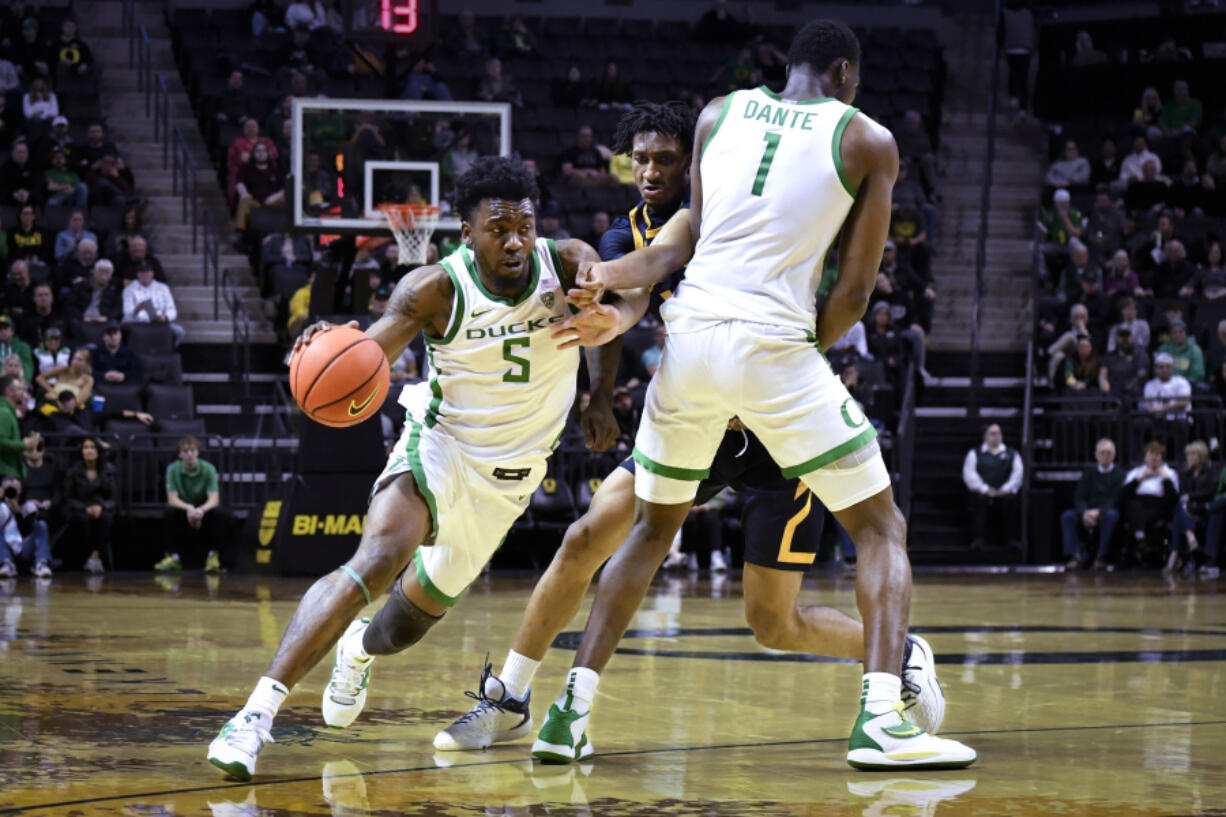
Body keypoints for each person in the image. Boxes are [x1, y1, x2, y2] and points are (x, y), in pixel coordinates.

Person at [434, 100, 944, 763]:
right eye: (640, 158)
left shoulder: (748, 217)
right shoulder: (630, 234)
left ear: (700, 161)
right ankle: (513, 695)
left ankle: (897, 650)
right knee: (586, 535)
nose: (649, 170)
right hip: (692, 413)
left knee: (774, 621)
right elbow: (633, 295)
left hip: (773, 435)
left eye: (666, 159)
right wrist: (605, 335)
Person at [529, 21, 975, 770]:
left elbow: (682, 242)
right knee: (878, 526)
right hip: (773, 343)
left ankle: (568, 713)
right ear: (843, 71)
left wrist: (611, 276)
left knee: (648, 529)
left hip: (690, 339)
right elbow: (859, 289)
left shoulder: (719, 112)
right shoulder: (868, 139)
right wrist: (801, 357)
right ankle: (882, 720)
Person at [205, 156, 637, 781]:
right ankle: (254, 715)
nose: (514, 239)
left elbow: (611, 314)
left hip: (508, 481)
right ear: (466, 232)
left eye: (523, 224)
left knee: (397, 630)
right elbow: (368, 350)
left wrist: (600, 394)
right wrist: (328, 346)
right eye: (497, 228)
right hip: (438, 446)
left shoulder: (567, 261)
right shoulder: (434, 287)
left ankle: (355, 649)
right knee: (376, 558)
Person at [155, 437, 228, 573]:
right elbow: (172, 499)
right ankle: (173, 557)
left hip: (202, 508)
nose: (189, 454)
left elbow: (214, 499)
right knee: (169, 511)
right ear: (180, 454)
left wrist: (201, 510)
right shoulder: (172, 469)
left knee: (220, 513)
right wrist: (189, 508)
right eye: (185, 451)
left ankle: (214, 557)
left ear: (198, 452)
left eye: (192, 450)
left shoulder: (209, 469)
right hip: (183, 508)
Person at [1061, 438, 1124, 569]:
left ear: (1114, 455)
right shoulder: (1088, 474)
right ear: (1096, 455)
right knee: (1067, 516)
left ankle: (1102, 555)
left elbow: (1116, 499)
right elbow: (1079, 496)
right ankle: (1075, 555)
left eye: (1108, 452)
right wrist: (1084, 512)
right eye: (1102, 452)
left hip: (1105, 511)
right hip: (1088, 510)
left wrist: (1099, 512)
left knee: (1113, 515)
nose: (1105, 456)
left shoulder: (1120, 475)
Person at [1115, 441, 1178, 568]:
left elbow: (1172, 498)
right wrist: (1140, 478)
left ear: (1162, 457)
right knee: (1134, 506)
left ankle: (1140, 537)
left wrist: (1165, 479)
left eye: (1157, 455)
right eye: (1151, 455)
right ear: (1145, 457)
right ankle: (1141, 539)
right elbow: (1122, 495)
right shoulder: (1136, 472)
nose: (1154, 458)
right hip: (1138, 506)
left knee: (1139, 511)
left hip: (1159, 507)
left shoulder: (1170, 473)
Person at [962, 424, 1023, 551]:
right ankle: (978, 539)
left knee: (1010, 501)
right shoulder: (975, 453)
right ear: (985, 436)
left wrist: (1005, 489)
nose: (997, 436)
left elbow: (1017, 475)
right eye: (992, 433)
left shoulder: (1011, 453)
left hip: (1004, 492)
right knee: (978, 499)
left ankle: (1010, 540)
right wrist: (985, 489)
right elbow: (969, 474)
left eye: (999, 433)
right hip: (984, 492)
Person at [61, 436, 116, 572]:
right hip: (80, 508)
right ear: (81, 451)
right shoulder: (73, 471)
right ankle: (83, 559)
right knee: (82, 521)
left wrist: (101, 507)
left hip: (102, 507)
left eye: (92, 447)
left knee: (105, 519)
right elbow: (68, 498)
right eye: (86, 447)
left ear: (98, 451)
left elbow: (113, 498)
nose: (89, 451)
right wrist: (85, 508)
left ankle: (95, 557)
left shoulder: (109, 471)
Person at [1168, 440, 1215, 575]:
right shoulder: (1185, 473)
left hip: (1202, 508)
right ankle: (1190, 536)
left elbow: (1210, 492)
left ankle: (1174, 556)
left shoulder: (1210, 471)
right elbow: (1182, 493)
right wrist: (1188, 498)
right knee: (1179, 508)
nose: (1191, 457)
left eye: (1194, 454)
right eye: (1189, 454)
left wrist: (1192, 497)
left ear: (1202, 455)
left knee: (1179, 512)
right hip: (1187, 509)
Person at [0, 474, 52, 578]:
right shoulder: (1, 507)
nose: (12, 492)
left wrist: (18, 513)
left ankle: (41, 563)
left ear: (21, 490)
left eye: (16, 489)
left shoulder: (29, 507)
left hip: (24, 550)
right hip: (4, 551)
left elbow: (25, 533)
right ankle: (5, 563)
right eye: (8, 489)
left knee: (41, 525)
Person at [123, 265, 184, 347]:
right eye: (142, 272)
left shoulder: (162, 287)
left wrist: (165, 317)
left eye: (147, 271)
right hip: (138, 321)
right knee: (125, 323)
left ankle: (169, 351)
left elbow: (171, 309)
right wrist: (137, 309)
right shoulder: (129, 289)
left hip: (159, 321)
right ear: (137, 274)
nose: (145, 274)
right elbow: (126, 311)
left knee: (179, 331)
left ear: (152, 273)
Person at [1099, 325, 1149, 399]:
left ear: (1131, 337)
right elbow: (1102, 375)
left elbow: (1142, 373)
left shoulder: (1140, 354)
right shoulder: (1109, 356)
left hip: (1134, 396)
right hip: (1113, 395)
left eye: (1127, 335)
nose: (1124, 339)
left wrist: (1128, 387)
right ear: (1116, 337)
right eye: (1121, 336)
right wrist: (1107, 391)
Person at [0, 374, 29, 479]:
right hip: (4, 473)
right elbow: (1, 441)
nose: (23, 393)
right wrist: (24, 444)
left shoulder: (8, 412)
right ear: (10, 392)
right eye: (20, 389)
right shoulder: (4, 412)